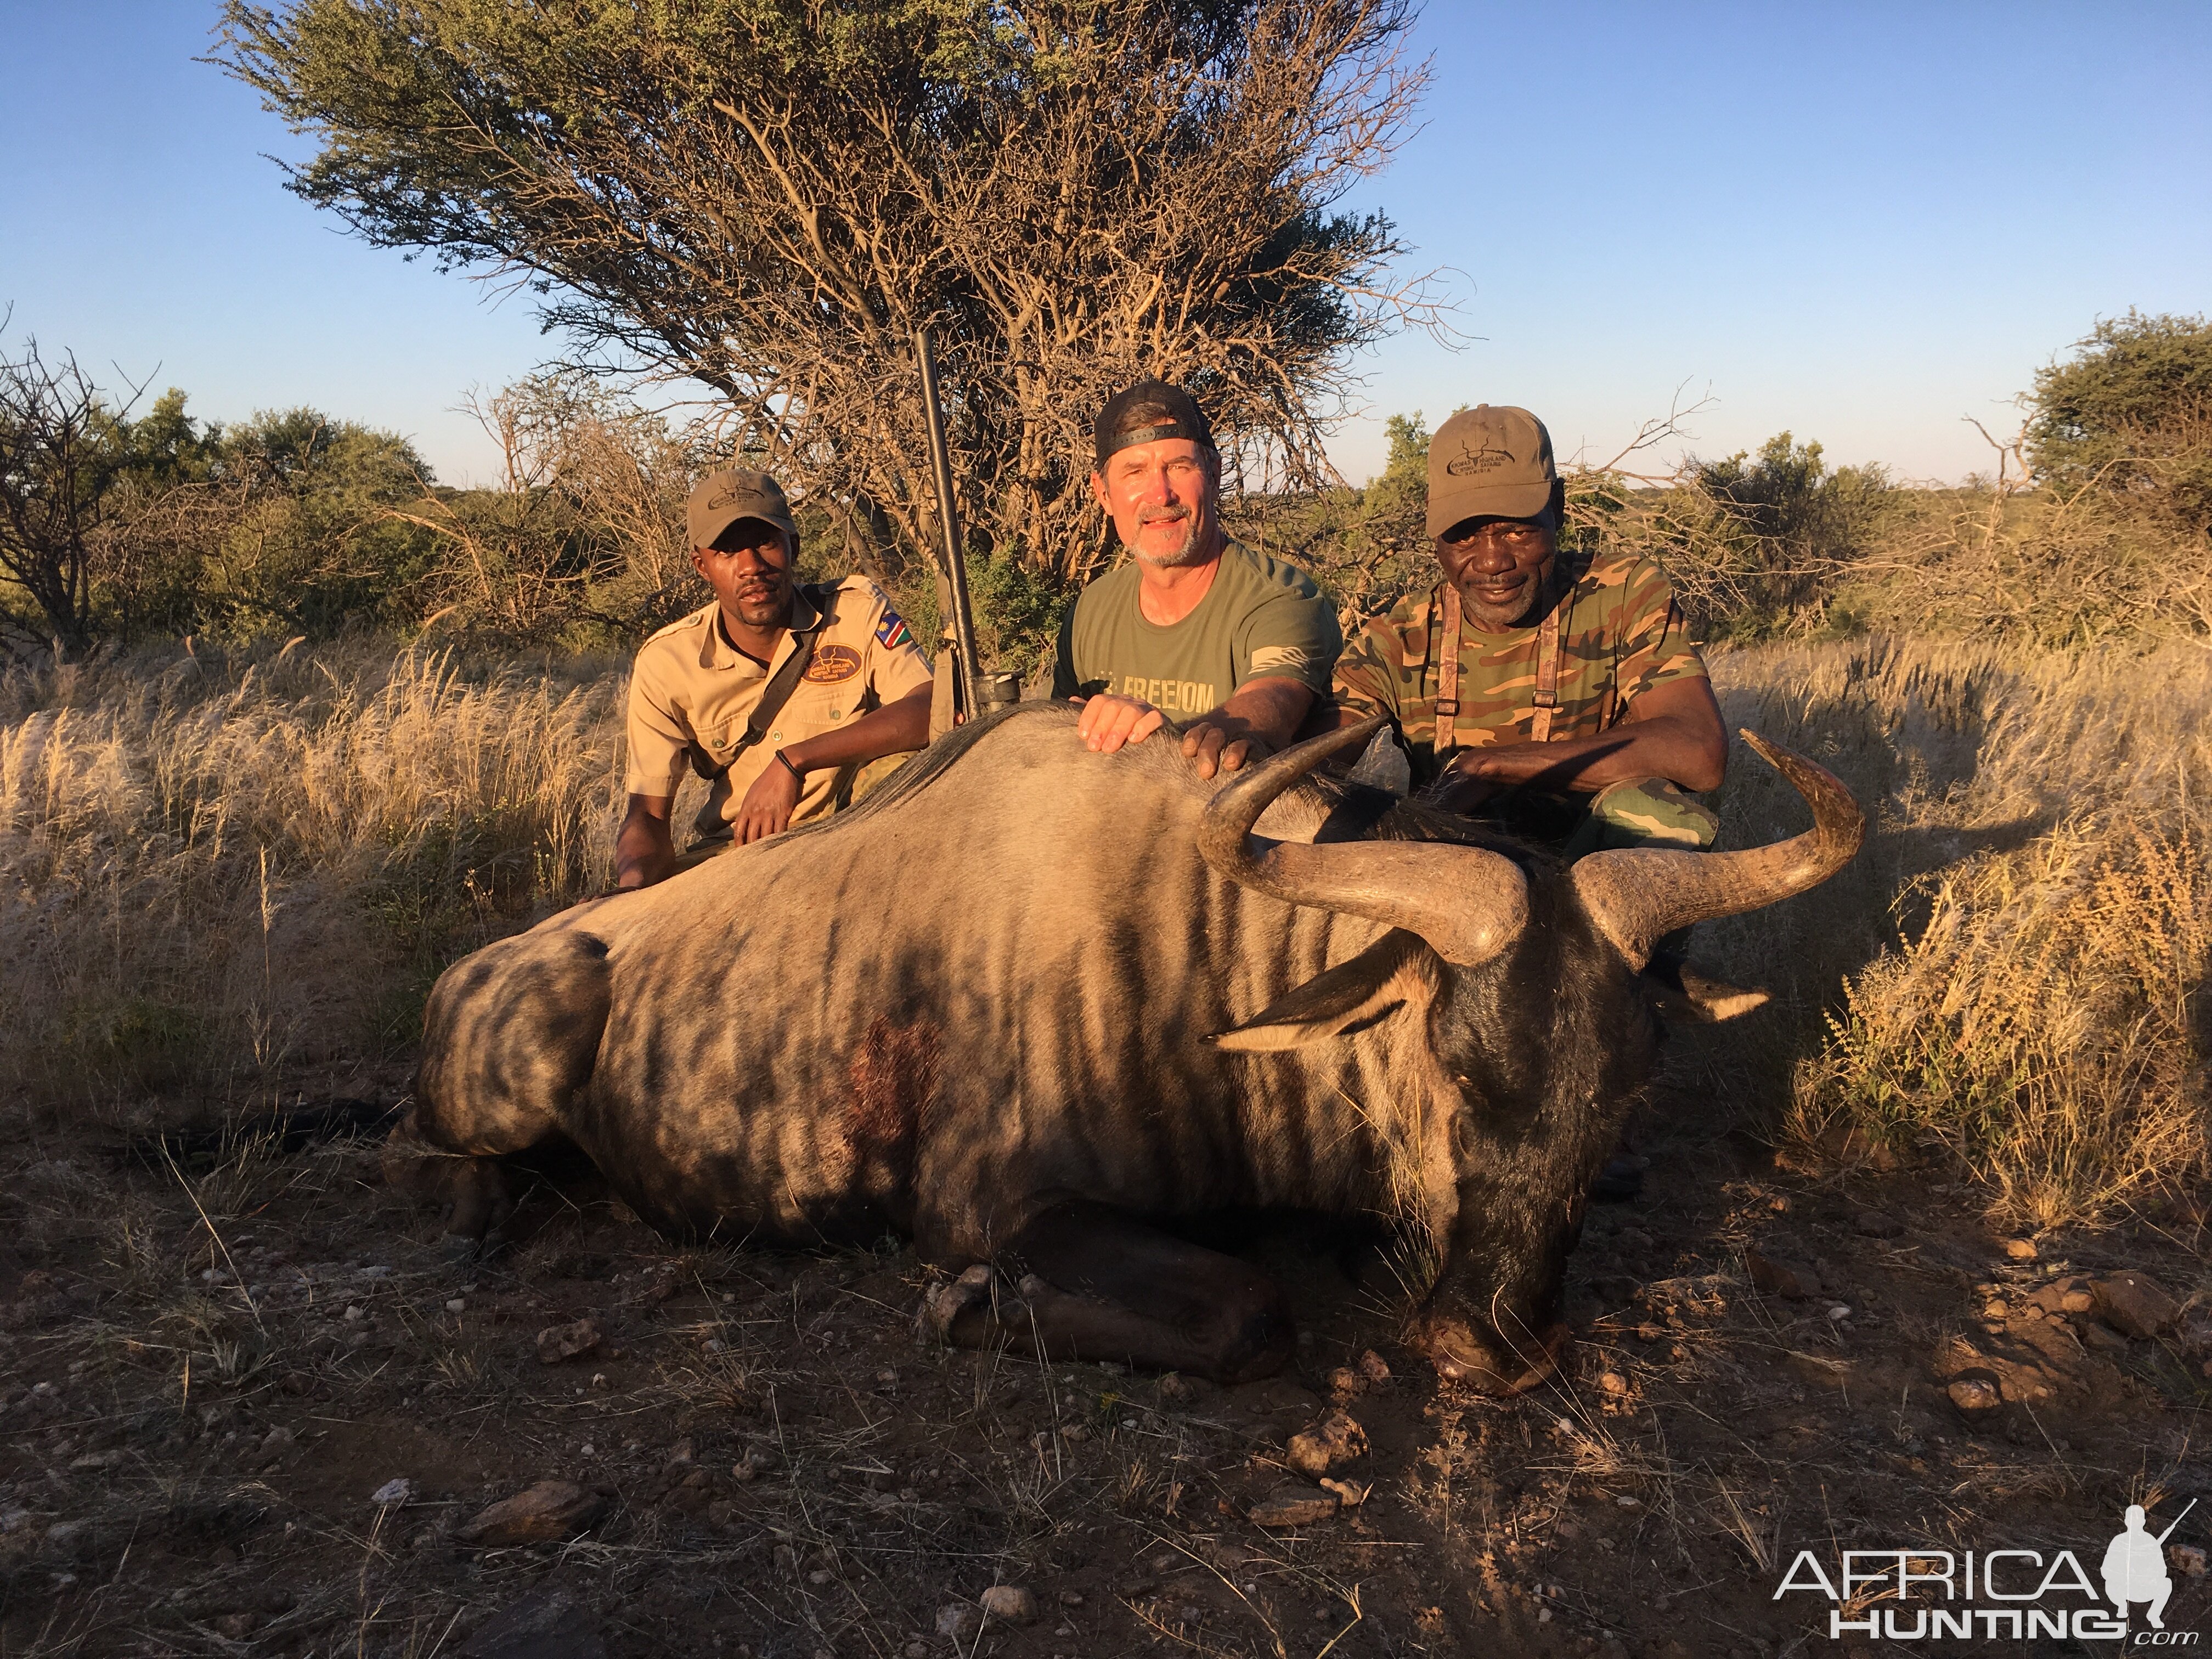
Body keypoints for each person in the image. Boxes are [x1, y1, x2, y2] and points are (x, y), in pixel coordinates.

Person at [1333, 403, 1727, 859]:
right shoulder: (1398, 638)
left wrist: (1490, 766)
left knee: (1656, 815)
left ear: (1556, 508)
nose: (1491, 561)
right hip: (1455, 869)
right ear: (1432, 527)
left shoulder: (1623, 593)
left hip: (1594, 870)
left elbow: (1700, 752)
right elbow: (1310, 765)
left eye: (1516, 532)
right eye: (1463, 536)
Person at [613, 467, 934, 889]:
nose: (752, 567)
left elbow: (930, 705)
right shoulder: (666, 661)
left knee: (910, 771)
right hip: (739, 854)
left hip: (853, 836)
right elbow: (649, 816)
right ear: (702, 565)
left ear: (793, 546)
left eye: (766, 542)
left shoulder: (856, 610)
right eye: (728, 551)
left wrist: (793, 761)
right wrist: (630, 888)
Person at [1051, 380, 1341, 778]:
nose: (1161, 493)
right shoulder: (1089, 611)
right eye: (1135, 472)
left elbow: (1272, 702)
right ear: (1103, 494)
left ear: (1214, 474)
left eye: (1178, 467)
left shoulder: (1281, 598)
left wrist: (1160, 738)